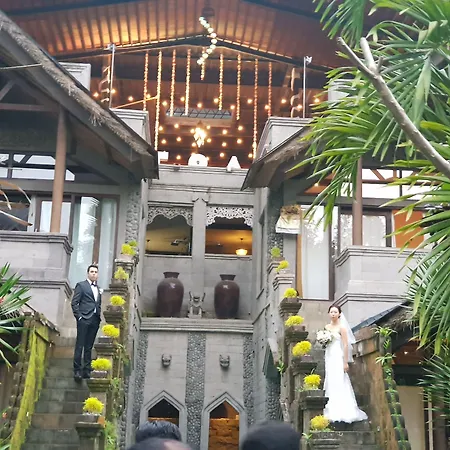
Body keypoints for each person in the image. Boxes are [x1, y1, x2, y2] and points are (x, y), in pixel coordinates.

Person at [323, 304, 367, 423]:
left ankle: (342, 408)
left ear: (339, 314)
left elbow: (346, 345)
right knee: (330, 379)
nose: (333, 314)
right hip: (329, 355)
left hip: (338, 355)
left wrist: (345, 362)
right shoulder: (326, 327)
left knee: (339, 379)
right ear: (329, 313)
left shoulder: (342, 328)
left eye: (335, 312)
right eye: (331, 312)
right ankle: (330, 405)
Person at [71, 264, 102, 381]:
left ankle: (87, 370)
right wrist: (79, 317)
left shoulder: (98, 288)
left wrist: (98, 316)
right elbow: (74, 302)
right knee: (80, 345)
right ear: (88, 273)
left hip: (94, 319)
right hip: (84, 318)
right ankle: (77, 370)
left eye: (96, 272)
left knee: (89, 346)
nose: (94, 274)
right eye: (92, 272)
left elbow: (97, 304)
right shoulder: (81, 285)